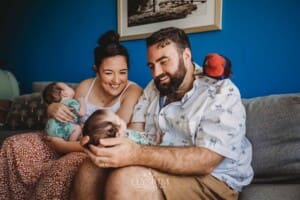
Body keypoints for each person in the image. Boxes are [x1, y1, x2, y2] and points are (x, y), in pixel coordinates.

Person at [72, 27, 253, 200]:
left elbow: (207, 161)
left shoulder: (220, 91)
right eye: (151, 66)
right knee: (90, 166)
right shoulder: (154, 88)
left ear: (186, 56)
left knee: (127, 181)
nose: (156, 73)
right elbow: (135, 131)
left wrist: (136, 154)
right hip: (160, 167)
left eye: (164, 62)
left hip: (212, 179)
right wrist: (108, 142)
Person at [0, 30, 142, 200]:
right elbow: (67, 108)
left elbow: (112, 139)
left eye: (123, 72)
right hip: (67, 136)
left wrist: (63, 147)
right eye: (108, 72)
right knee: (13, 144)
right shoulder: (85, 86)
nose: (116, 80)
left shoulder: (132, 91)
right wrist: (52, 107)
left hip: (90, 148)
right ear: (96, 70)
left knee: (63, 168)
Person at [82, 109, 168, 148]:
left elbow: (141, 136)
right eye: (118, 117)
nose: (120, 118)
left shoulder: (127, 133)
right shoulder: (127, 142)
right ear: (118, 131)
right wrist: (157, 144)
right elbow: (147, 149)